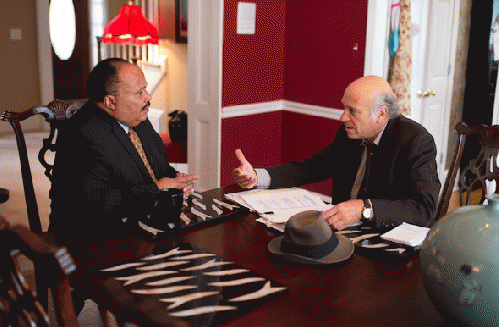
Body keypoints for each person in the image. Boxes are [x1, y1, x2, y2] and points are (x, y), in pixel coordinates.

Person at [233, 76, 441, 230]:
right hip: (342, 234)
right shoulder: (348, 134)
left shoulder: (416, 141)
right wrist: (257, 177)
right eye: (344, 108)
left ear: (381, 114)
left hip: (385, 238)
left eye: (353, 111)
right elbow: (312, 167)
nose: (343, 117)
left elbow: (424, 209)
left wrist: (364, 208)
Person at [49, 58, 198, 232]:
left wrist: (176, 181)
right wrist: (157, 189)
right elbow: (95, 206)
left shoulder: (137, 119)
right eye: (139, 92)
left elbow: (158, 169)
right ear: (110, 102)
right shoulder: (81, 135)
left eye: (145, 89)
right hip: (93, 238)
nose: (148, 97)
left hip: (143, 223)